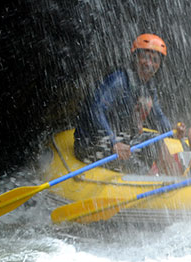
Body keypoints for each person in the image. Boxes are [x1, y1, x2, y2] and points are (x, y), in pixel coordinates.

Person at [73, 33, 185, 174]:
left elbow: (158, 116)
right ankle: (151, 183)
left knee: (156, 140)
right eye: (145, 57)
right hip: (92, 144)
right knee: (134, 163)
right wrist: (113, 142)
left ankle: (176, 181)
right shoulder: (119, 80)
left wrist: (173, 131)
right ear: (135, 57)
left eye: (155, 60)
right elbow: (96, 110)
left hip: (120, 138)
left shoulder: (149, 86)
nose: (149, 64)